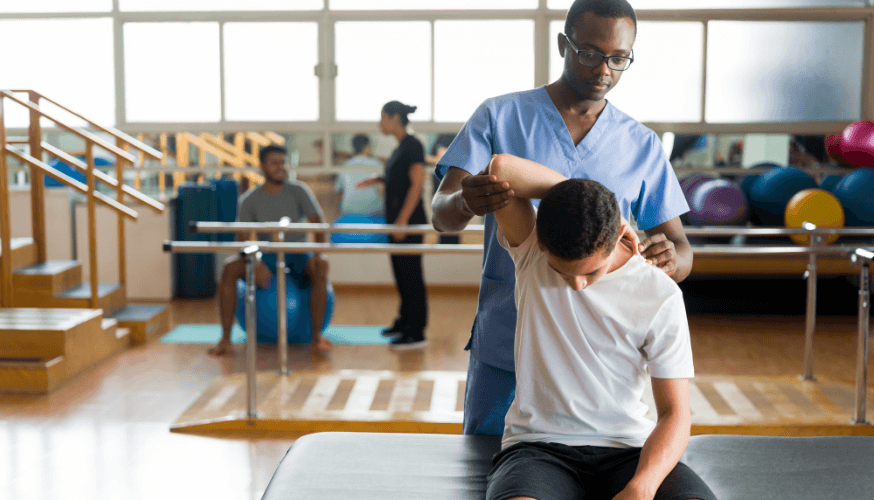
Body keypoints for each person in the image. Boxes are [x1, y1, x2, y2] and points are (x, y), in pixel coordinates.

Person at [431, 0, 693, 436]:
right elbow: (442, 215)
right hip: (509, 340)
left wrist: (672, 261)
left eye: (619, 58)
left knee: (591, 473)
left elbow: (682, 249)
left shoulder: (641, 145)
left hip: (602, 353)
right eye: (589, 53)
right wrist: (466, 203)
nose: (603, 70)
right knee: (484, 469)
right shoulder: (500, 116)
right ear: (563, 44)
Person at [484, 153, 715, 500]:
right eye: (564, 272)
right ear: (541, 245)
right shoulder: (530, 252)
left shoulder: (660, 293)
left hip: (629, 449)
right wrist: (596, 203)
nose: (578, 285)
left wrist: (642, 486)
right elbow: (502, 169)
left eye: (592, 272)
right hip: (539, 449)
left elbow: (675, 412)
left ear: (622, 234)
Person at [209, 144, 332, 357]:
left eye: (283, 163)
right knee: (230, 268)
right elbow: (242, 239)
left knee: (321, 268)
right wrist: (255, 261)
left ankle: (315, 339)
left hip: (298, 254)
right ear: (262, 167)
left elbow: (317, 222)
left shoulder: (299, 190)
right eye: (275, 163)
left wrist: (317, 254)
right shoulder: (250, 199)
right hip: (267, 256)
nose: (281, 168)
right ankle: (226, 339)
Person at [357, 101, 429, 349]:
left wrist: (402, 220)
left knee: (411, 274)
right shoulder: (401, 147)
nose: (380, 123)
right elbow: (399, 177)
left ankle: (416, 331)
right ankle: (404, 321)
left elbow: (417, 184)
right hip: (397, 222)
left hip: (407, 222)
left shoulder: (414, 145)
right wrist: (377, 178)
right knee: (401, 273)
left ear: (395, 118)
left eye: (383, 117)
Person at [335, 134, 384, 218]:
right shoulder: (377, 164)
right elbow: (382, 190)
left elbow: (339, 191)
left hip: (349, 210)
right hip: (374, 211)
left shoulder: (345, 165)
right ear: (367, 147)